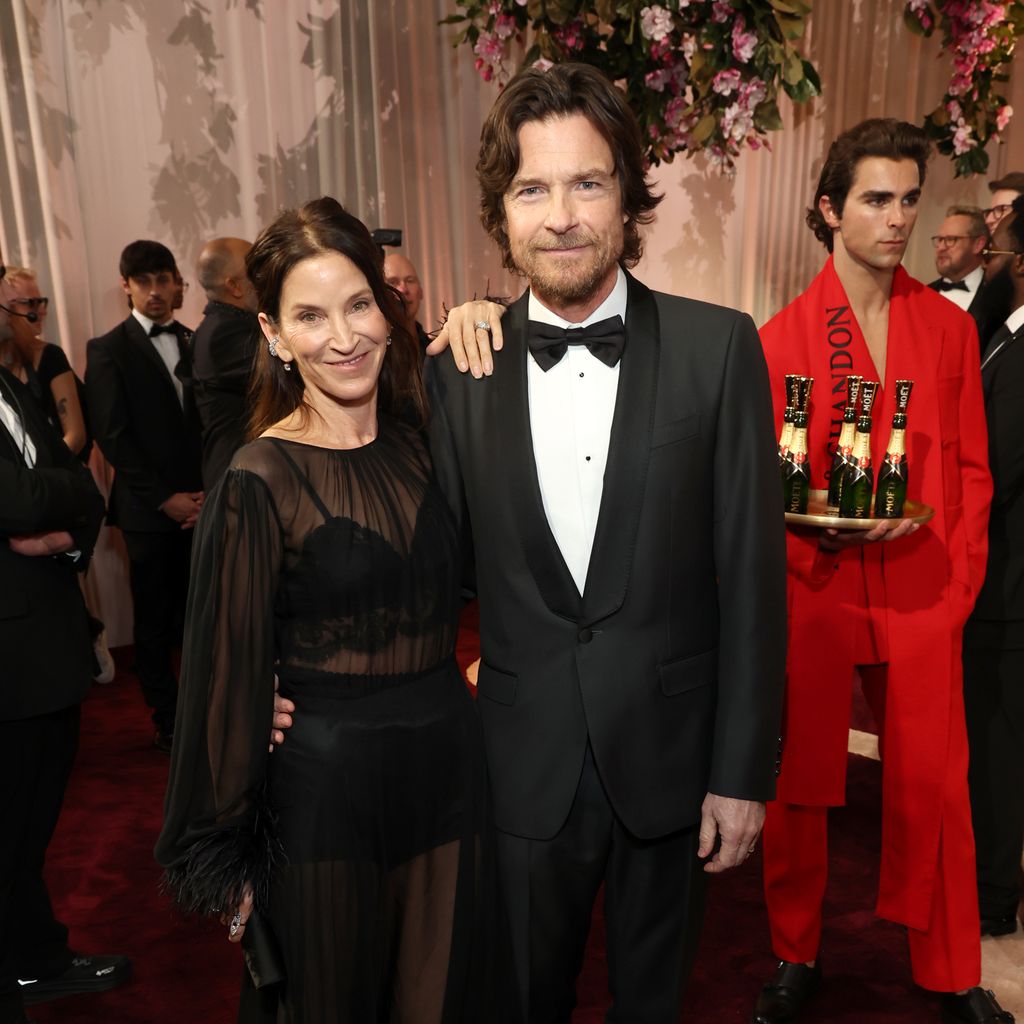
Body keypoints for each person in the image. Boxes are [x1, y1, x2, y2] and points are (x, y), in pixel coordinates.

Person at [360, 61, 786, 1021]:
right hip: (516, 765)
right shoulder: (459, 373)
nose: (561, 215)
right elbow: (424, 576)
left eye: (587, 183)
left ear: (628, 195)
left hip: (677, 767)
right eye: (532, 189)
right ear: (500, 213)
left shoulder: (721, 349)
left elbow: (754, 581)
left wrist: (741, 774)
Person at [156, 197, 518, 1023]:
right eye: (309, 316)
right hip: (325, 790)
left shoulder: (429, 437)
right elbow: (220, 669)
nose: (343, 336)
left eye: (359, 305)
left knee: (444, 999)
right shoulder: (259, 477)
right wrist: (251, 729)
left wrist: (480, 313)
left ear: (389, 311)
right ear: (276, 336)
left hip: (448, 770)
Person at [753, 118, 1011, 1024]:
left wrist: (962, 588)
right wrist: (806, 545)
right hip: (816, 586)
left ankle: (952, 969)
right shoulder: (779, 340)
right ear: (829, 210)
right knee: (802, 786)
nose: (898, 219)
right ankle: (795, 952)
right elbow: (767, 490)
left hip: (923, 587)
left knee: (938, 785)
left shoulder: (946, 329)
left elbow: (971, 472)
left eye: (909, 198)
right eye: (876, 199)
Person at [0, 257, 130, 1024]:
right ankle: (30, 965)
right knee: (13, 825)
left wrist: (53, 534)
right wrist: (43, 509)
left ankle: (35, 957)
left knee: (32, 822)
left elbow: (76, 483)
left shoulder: (18, 384)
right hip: (12, 660)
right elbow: (19, 498)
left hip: (48, 643)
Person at [85, 241, 203, 752]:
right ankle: (168, 718)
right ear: (126, 287)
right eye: (144, 282)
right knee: (154, 621)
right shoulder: (107, 348)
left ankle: (208, 709)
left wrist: (206, 493)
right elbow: (112, 437)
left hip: (204, 503)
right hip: (148, 511)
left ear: (177, 282)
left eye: (163, 279)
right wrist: (166, 499)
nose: (156, 291)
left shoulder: (197, 338)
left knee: (205, 614)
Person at [962, 193, 1024, 941]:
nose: (987, 264)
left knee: (1000, 746)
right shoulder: (1004, 336)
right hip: (1002, 582)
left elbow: (996, 467)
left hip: (1008, 586)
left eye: (995, 254)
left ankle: (992, 895)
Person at [191, 236, 260, 489]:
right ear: (235, 285)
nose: (264, 277)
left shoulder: (228, 324)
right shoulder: (224, 333)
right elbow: (288, 373)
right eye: (255, 269)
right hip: (239, 479)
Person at [929, 206, 1007, 349]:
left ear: (978, 244)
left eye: (950, 239)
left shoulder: (999, 296)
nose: (940, 247)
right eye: (939, 240)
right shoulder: (923, 294)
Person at [384, 250, 431, 351]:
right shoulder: (373, 355)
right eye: (392, 282)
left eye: (410, 281)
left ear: (421, 291)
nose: (403, 290)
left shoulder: (436, 352)